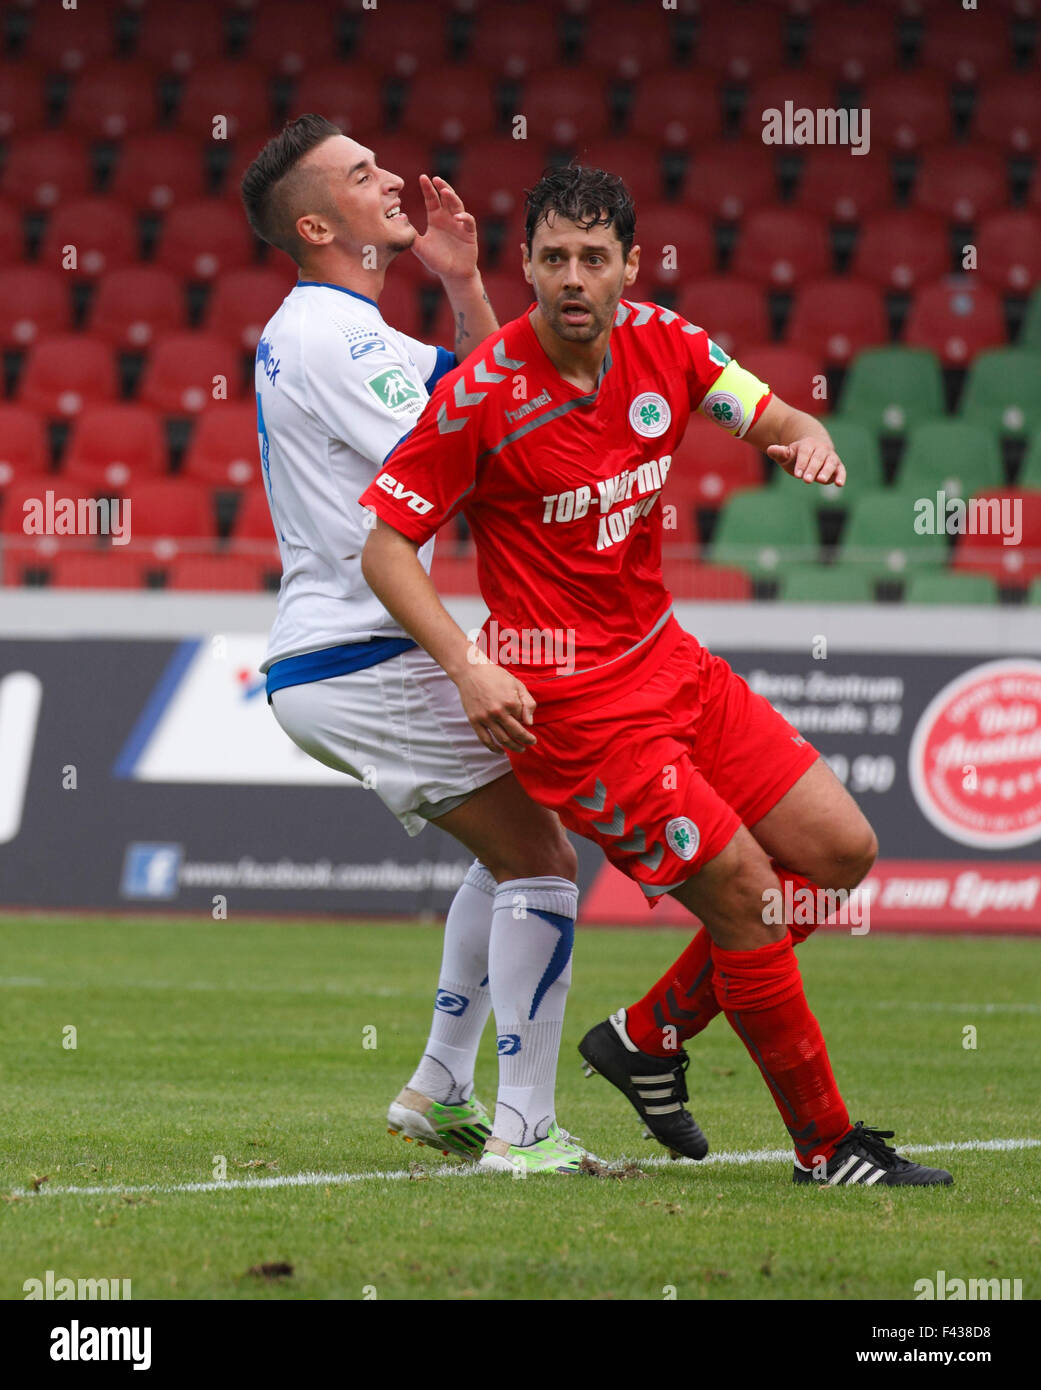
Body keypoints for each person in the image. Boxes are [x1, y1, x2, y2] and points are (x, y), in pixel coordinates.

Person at [359, 164, 952, 1186]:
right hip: (579, 709)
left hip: (670, 662)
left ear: (631, 265)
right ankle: (825, 1145)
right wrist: (465, 664)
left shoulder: (670, 347)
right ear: (530, 267)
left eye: (596, 258)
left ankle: (647, 1034)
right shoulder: (482, 398)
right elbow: (385, 546)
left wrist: (805, 442)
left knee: (842, 852)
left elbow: (775, 416)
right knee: (752, 896)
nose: (575, 278)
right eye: (555, 258)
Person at [239, 116, 593, 1176]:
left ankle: (440, 1086)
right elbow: (489, 442)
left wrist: (464, 282)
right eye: (362, 173)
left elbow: (492, 388)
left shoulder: (359, 331)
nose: (392, 177)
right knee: (544, 857)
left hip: (345, 656)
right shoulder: (325, 334)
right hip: (361, 652)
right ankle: (523, 1131)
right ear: (315, 223)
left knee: (521, 847)